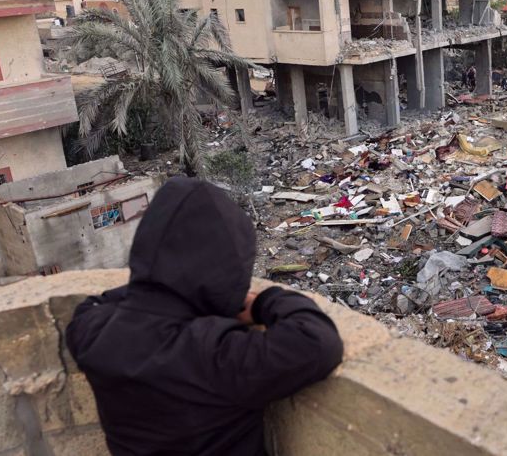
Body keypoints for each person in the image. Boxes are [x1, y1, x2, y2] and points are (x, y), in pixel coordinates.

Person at [66, 177, 344, 456]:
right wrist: (262, 302)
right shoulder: (212, 355)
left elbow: (97, 302)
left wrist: (150, 284)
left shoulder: (92, 331)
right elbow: (318, 342)